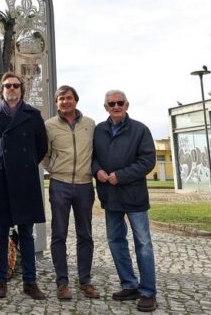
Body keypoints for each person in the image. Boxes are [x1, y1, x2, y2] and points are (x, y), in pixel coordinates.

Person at [0, 73, 48, 300]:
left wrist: (26, 163)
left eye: (15, 85)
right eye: (7, 85)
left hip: (25, 180)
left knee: (26, 234)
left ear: (21, 89)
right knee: (1, 233)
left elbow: (41, 146)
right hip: (1, 180)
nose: (11, 88)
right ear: (2, 89)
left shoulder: (33, 115)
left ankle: (30, 282)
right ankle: (1, 281)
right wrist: (1, 162)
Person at [92, 90, 158, 313]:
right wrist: (97, 170)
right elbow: (91, 157)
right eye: (112, 103)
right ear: (106, 107)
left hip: (134, 196)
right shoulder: (98, 130)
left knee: (143, 244)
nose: (116, 106)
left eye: (120, 103)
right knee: (115, 241)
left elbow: (148, 161)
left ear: (127, 105)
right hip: (110, 197)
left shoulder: (140, 130)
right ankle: (129, 285)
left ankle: (148, 291)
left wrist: (121, 175)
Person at [43, 85, 100, 300]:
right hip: (60, 183)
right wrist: (54, 168)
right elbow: (44, 153)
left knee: (85, 234)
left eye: (68, 98)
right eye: (60, 99)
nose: (65, 102)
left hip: (85, 185)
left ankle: (85, 281)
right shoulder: (49, 125)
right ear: (56, 103)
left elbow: (96, 151)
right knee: (59, 234)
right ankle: (62, 282)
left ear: (76, 101)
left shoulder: (90, 124)